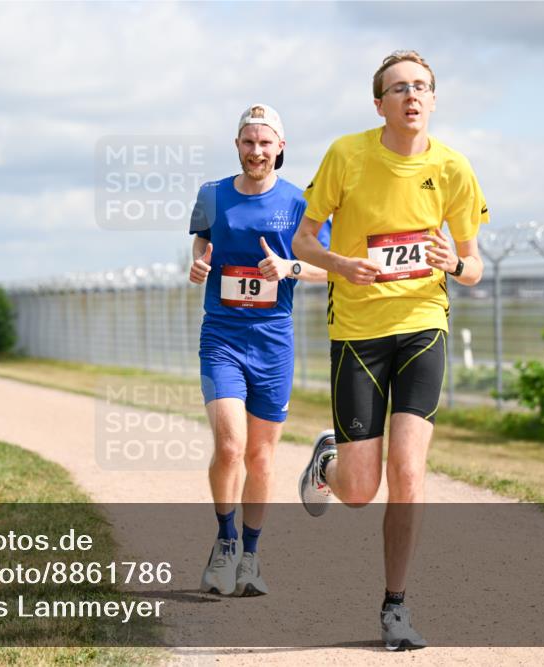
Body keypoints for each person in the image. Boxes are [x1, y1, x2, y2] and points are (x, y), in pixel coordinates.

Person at [292, 50, 488, 651]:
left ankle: (395, 607)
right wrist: (339, 263)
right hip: (357, 331)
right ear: (379, 104)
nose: (412, 95)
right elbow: (303, 239)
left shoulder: (453, 168)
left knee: (408, 470)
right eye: (399, 88)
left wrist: (452, 263)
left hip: (423, 323)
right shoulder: (346, 155)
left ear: (433, 100)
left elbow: (474, 265)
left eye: (421, 87)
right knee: (359, 491)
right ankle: (328, 463)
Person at [190, 104, 327, 597]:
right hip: (222, 336)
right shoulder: (212, 195)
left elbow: (329, 267)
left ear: (280, 147)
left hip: (272, 341)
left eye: (265, 142)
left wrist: (290, 268)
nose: (256, 151)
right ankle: (225, 542)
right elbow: (202, 244)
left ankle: (250, 555)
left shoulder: (300, 203)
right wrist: (199, 265)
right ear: (237, 145)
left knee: (261, 457)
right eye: (248, 142)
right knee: (230, 446)